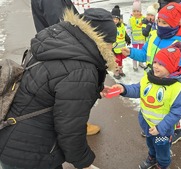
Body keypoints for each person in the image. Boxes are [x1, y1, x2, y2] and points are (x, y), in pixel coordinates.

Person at [0, 8, 117, 169]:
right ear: (103, 41)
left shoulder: (59, 41)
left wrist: (94, 88)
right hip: (32, 154)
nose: (112, 48)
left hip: (12, 137)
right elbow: (70, 128)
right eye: (112, 43)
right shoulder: (82, 70)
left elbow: (56, 81)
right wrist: (83, 162)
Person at [106, 42, 181, 169]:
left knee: (162, 149)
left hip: (162, 131)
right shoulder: (148, 78)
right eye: (155, 62)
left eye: (161, 64)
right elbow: (138, 89)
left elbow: (177, 112)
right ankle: (152, 157)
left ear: (171, 67)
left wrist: (161, 128)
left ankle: (163, 165)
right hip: (147, 124)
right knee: (151, 144)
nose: (156, 66)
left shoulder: (176, 88)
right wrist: (123, 89)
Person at [31, 0, 101, 136]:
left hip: (55, 45)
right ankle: (79, 127)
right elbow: (63, 24)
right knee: (74, 88)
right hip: (63, 47)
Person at [122, 2, 181, 144]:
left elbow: (180, 72)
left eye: (165, 22)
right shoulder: (153, 36)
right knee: (153, 106)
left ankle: (174, 130)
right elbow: (145, 54)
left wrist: (164, 78)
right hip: (152, 79)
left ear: (175, 24)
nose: (160, 25)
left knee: (168, 109)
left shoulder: (178, 45)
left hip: (167, 85)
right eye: (159, 21)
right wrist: (131, 52)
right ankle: (151, 125)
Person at [111, 5, 131, 79]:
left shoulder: (121, 25)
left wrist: (127, 39)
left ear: (119, 19)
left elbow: (124, 33)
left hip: (121, 47)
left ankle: (120, 70)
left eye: (117, 19)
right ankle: (116, 72)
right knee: (115, 61)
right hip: (114, 48)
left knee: (120, 60)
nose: (115, 20)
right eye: (113, 18)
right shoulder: (110, 26)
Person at [127, 0, 146, 71]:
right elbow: (129, 29)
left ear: (140, 11)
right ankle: (134, 65)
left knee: (141, 52)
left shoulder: (143, 19)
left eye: (137, 11)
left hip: (142, 39)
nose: (136, 13)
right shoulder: (131, 20)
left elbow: (146, 28)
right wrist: (128, 36)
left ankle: (141, 63)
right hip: (134, 39)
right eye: (134, 11)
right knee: (134, 52)